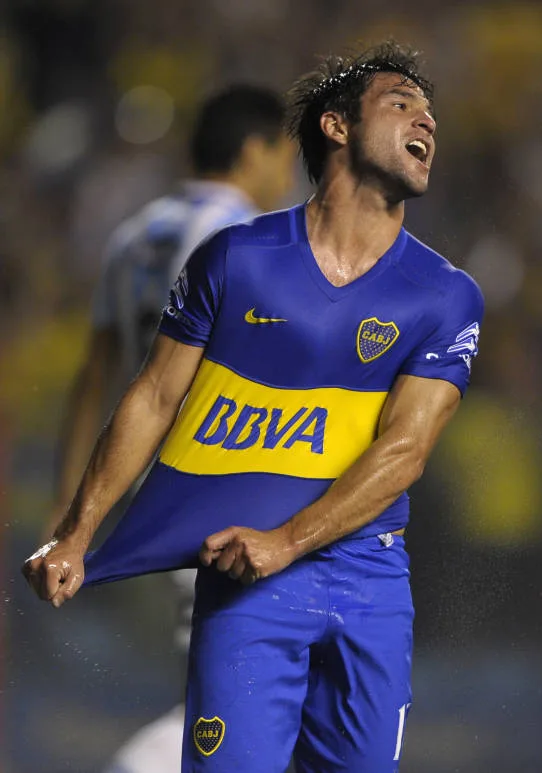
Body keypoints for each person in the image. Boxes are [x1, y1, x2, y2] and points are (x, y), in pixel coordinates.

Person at [24, 40, 483, 773]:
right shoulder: (236, 258)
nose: (426, 120)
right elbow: (153, 394)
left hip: (369, 582)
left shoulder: (446, 293)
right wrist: (77, 530)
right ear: (336, 126)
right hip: (243, 580)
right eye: (402, 103)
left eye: (430, 112)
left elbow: (406, 452)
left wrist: (290, 540)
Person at [50, 83, 295, 773]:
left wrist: (75, 509)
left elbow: (94, 379)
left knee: (249, 685)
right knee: (249, 691)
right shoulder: (238, 238)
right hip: (219, 486)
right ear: (255, 150)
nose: (289, 173)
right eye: (285, 153)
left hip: (145, 489)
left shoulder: (133, 235)